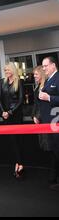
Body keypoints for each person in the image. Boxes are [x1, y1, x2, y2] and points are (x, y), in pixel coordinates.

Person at [0, 62, 24, 178]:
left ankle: (19, 165)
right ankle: (18, 163)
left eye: (8, 70)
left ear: (13, 70)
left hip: (16, 116)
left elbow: (20, 100)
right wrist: (3, 112)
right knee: (11, 141)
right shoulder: (2, 82)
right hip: (5, 116)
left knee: (17, 141)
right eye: (5, 70)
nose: (6, 72)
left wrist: (10, 112)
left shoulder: (19, 82)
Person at [39, 56, 59, 190]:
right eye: (43, 66)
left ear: (53, 65)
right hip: (49, 122)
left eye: (45, 66)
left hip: (56, 122)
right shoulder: (49, 80)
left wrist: (49, 97)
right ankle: (54, 178)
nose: (44, 68)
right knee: (55, 151)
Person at [32, 66, 49, 153]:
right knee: (44, 144)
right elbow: (36, 104)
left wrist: (37, 116)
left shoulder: (46, 86)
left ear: (41, 74)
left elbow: (44, 104)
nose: (34, 76)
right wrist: (34, 116)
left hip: (46, 119)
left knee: (48, 144)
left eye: (36, 74)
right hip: (40, 119)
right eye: (34, 74)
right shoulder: (38, 86)